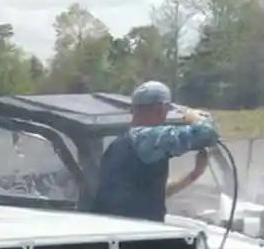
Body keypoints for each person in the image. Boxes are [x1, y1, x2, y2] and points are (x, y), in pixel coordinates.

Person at [92, 80, 222, 221]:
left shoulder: (120, 144)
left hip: (120, 233)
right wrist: (194, 117)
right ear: (161, 109)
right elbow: (208, 134)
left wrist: (194, 175)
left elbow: (154, 193)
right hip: (138, 234)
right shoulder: (147, 138)